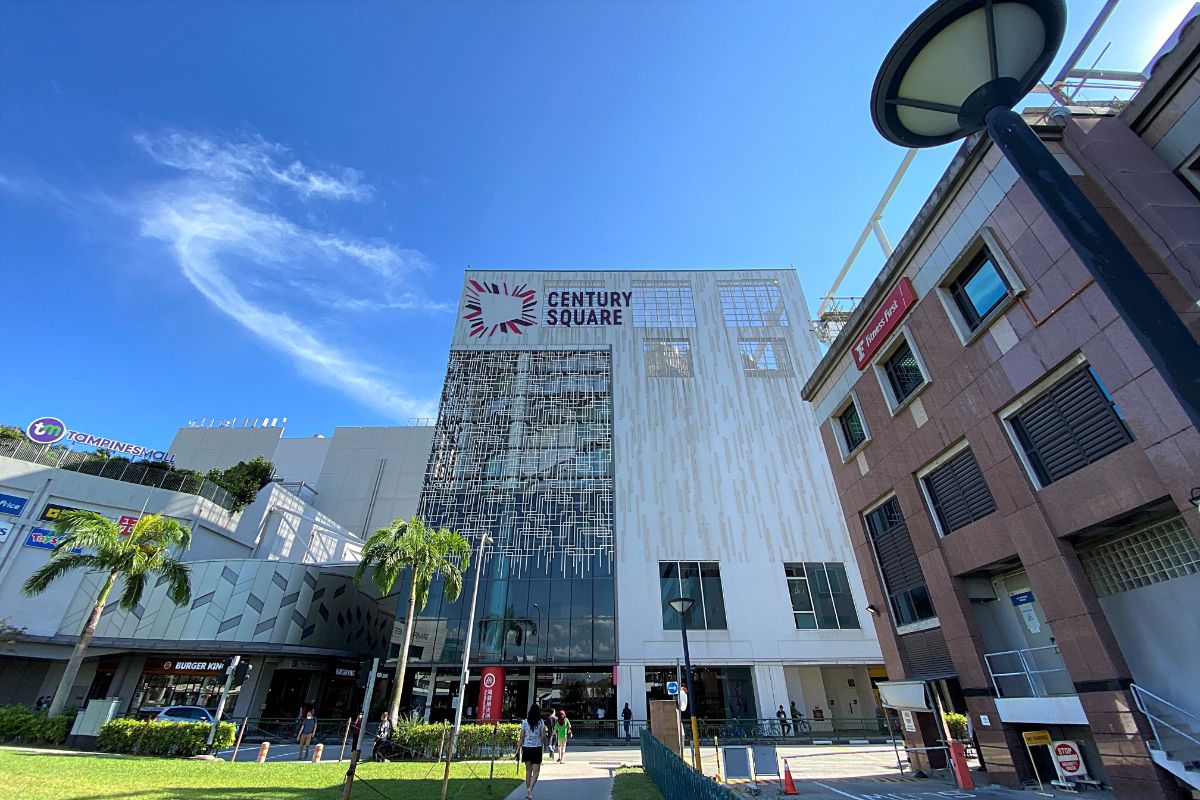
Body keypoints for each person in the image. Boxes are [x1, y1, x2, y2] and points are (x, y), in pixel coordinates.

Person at [516, 703, 546, 800]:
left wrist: (517, 750)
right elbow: (543, 736)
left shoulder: (524, 722)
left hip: (526, 748)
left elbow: (521, 737)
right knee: (536, 772)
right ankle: (529, 790)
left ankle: (528, 792)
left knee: (528, 771)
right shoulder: (541, 722)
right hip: (537, 748)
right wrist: (544, 743)